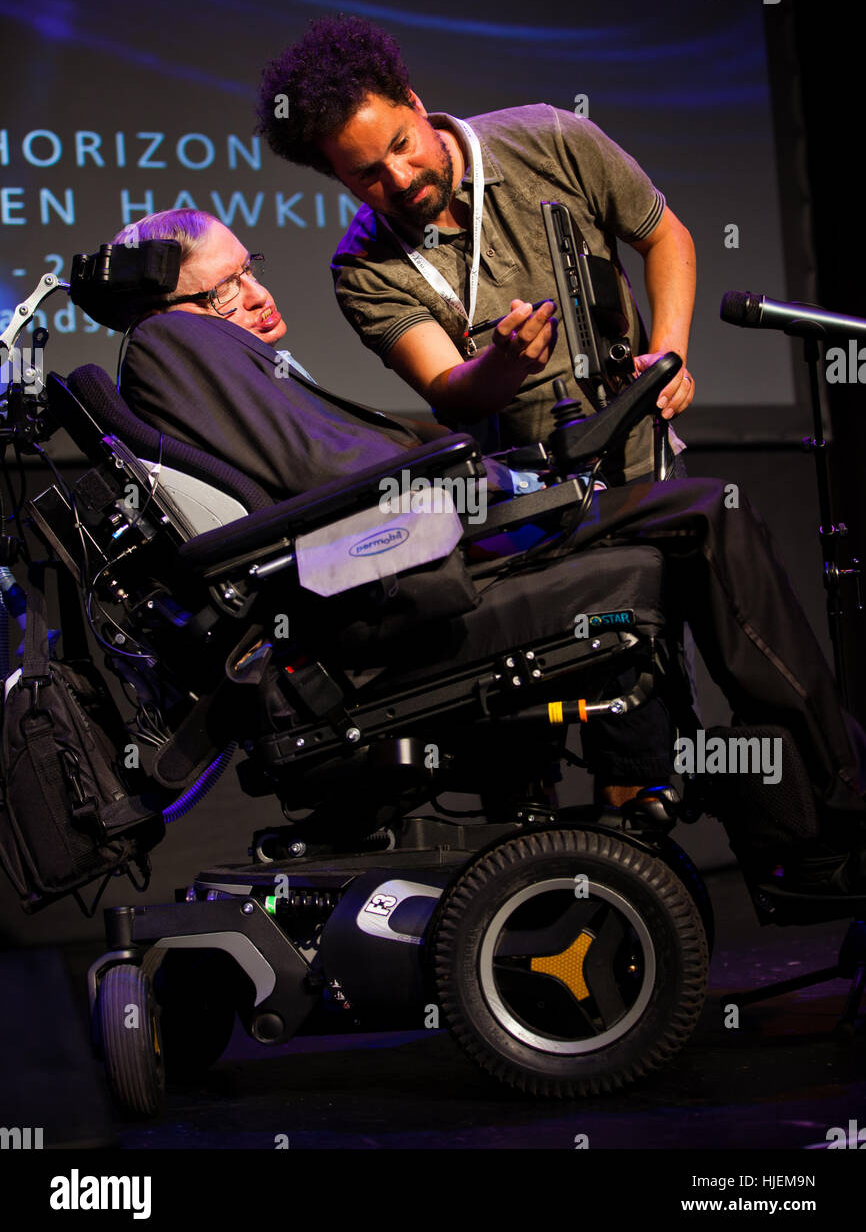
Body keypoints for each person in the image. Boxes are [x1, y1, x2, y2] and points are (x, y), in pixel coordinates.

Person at [114, 209, 866, 896]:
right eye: (224, 288)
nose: (254, 293)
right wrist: (493, 479)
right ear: (165, 305)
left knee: (683, 515)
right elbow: (330, 475)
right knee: (703, 514)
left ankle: (796, 826)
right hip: (392, 584)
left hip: (407, 551)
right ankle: (831, 816)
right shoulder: (175, 343)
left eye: (252, 267)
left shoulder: (207, 349)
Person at [256, 15, 696, 483]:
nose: (400, 179)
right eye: (368, 174)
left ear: (414, 102)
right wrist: (502, 365)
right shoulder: (362, 270)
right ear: (337, 177)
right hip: (521, 495)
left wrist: (668, 362)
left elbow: (664, 237)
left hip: (648, 458)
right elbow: (449, 391)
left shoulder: (551, 139)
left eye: (402, 144)